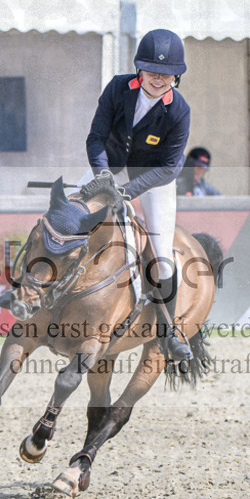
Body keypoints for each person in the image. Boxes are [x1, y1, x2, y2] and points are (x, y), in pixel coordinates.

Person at [81, 28, 192, 362]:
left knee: (162, 257)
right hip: (109, 167)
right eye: (153, 72)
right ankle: (37, 295)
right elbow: (96, 137)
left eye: (167, 74)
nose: (159, 79)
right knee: (66, 214)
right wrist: (103, 177)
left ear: (176, 76)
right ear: (140, 69)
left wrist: (127, 192)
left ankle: (169, 331)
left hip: (152, 179)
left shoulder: (179, 111)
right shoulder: (118, 87)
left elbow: (170, 167)